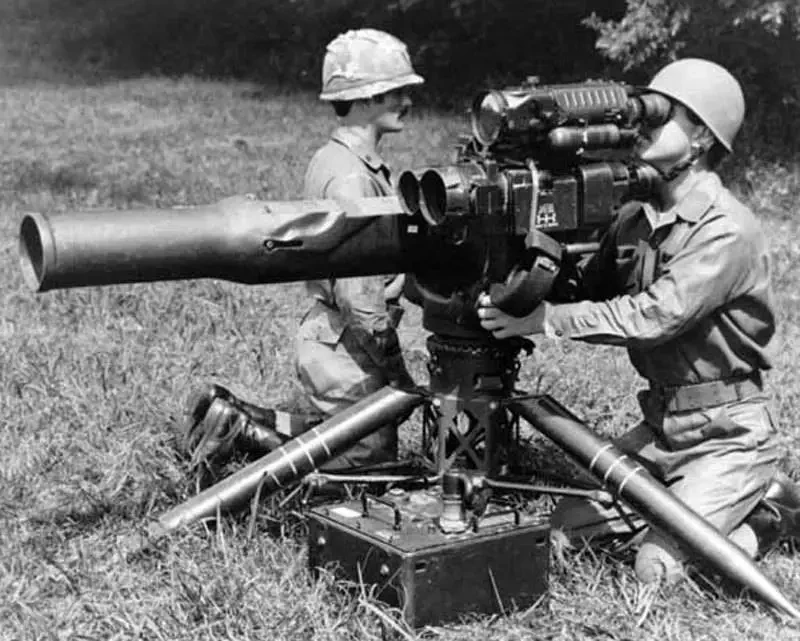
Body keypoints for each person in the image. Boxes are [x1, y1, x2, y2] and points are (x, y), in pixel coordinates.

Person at [477, 58, 800, 583]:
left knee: (656, 570)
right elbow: (585, 285)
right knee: (562, 534)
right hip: (661, 426)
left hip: (728, 436)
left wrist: (546, 320)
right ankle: (695, 509)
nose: (641, 126)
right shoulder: (636, 216)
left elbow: (654, 316)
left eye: (661, 116)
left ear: (701, 137)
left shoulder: (725, 230)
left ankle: (771, 515)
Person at [182, 29, 423, 473]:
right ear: (364, 98)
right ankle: (241, 435)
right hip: (351, 343)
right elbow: (358, 294)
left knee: (336, 434)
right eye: (396, 92)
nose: (407, 101)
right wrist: (396, 371)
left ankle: (232, 415)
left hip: (329, 333)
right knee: (363, 467)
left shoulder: (333, 158)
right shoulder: (354, 178)